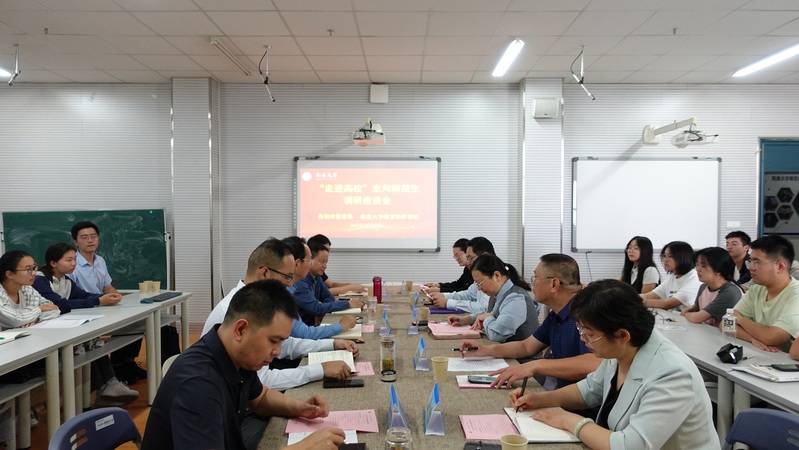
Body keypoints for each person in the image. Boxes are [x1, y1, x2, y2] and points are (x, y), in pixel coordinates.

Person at [510, 279, 719, 450]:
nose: (583, 339)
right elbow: (589, 390)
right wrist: (540, 399)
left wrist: (568, 420)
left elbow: (631, 446)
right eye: (581, 331)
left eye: (589, 334)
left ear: (622, 335)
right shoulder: (621, 351)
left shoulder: (672, 374)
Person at [142, 280, 345, 450]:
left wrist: (300, 408)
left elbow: (260, 398)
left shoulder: (238, 357)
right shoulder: (198, 385)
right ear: (240, 330)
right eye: (273, 341)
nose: (277, 351)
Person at [202, 238, 357, 391]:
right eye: (287, 277)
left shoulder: (260, 302)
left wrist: (331, 344)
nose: (290, 284)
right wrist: (321, 370)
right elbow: (263, 381)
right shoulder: (237, 310)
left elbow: (286, 344)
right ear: (264, 273)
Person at [459, 254, 601, 391]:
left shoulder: (587, 313)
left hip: (585, 401)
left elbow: (594, 363)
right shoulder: (555, 315)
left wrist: (536, 366)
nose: (532, 283)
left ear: (554, 284)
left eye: (536, 278)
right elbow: (526, 346)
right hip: (565, 392)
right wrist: (485, 350)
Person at [32, 243, 139, 406]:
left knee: (92, 341)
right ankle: (102, 390)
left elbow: (82, 295)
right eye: (69, 260)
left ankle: (110, 384)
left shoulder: (65, 280)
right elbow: (59, 304)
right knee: (85, 344)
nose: (73, 264)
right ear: (53, 263)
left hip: (60, 328)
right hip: (44, 335)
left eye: (74, 259)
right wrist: (98, 300)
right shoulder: (40, 280)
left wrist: (104, 298)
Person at [446, 254, 538, 343]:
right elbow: (490, 314)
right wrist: (467, 319)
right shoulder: (496, 294)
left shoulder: (516, 299)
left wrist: (487, 318)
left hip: (518, 354)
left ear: (497, 276)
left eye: (480, 283)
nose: (479, 288)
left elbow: (497, 334)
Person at [733, 234, 799, 353]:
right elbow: (726, 324)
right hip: (762, 355)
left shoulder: (796, 294)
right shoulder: (756, 289)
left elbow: (772, 338)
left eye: (757, 262)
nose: (751, 268)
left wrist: (740, 320)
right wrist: (752, 339)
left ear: (780, 266)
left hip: (786, 362)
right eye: (750, 262)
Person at [291, 241, 364, 326]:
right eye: (322, 261)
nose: (325, 266)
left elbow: (328, 296)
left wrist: (322, 310)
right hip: (305, 329)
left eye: (326, 262)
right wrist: (347, 304)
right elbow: (316, 308)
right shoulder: (299, 282)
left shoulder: (317, 277)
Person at [428, 236, 494, 313]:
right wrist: (444, 296)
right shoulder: (481, 272)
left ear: (484, 255)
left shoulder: (492, 274)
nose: (469, 262)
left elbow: (484, 308)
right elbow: (468, 294)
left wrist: (448, 303)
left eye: (470, 258)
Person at [681, 247, 743, 326]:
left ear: (718, 270)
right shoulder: (703, 287)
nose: (698, 269)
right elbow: (696, 308)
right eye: (697, 264)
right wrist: (689, 311)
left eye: (703, 266)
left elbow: (697, 318)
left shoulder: (730, 292)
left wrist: (686, 314)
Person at [0, 250, 60, 329]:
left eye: (34, 268)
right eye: (28, 269)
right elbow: (15, 320)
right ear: (10, 274)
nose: (34, 273)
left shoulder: (27, 289)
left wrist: (35, 319)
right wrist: (40, 309)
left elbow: (54, 309)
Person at [641, 241, 701, 310]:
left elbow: (667, 304)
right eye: (664, 256)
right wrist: (632, 297)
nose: (665, 260)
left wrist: (635, 302)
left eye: (670, 256)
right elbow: (649, 295)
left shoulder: (694, 279)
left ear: (683, 257)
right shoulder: (673, 277)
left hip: (685, 317)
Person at [69, 221, 117, 295]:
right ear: (76, 242)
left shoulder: (100, 260)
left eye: (94, 236)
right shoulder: (71, 264)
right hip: (83, 302)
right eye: (84, 237)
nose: (90, 240)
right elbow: (70, 294)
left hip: (101, 301)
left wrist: (117, 297)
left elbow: (106, 287)